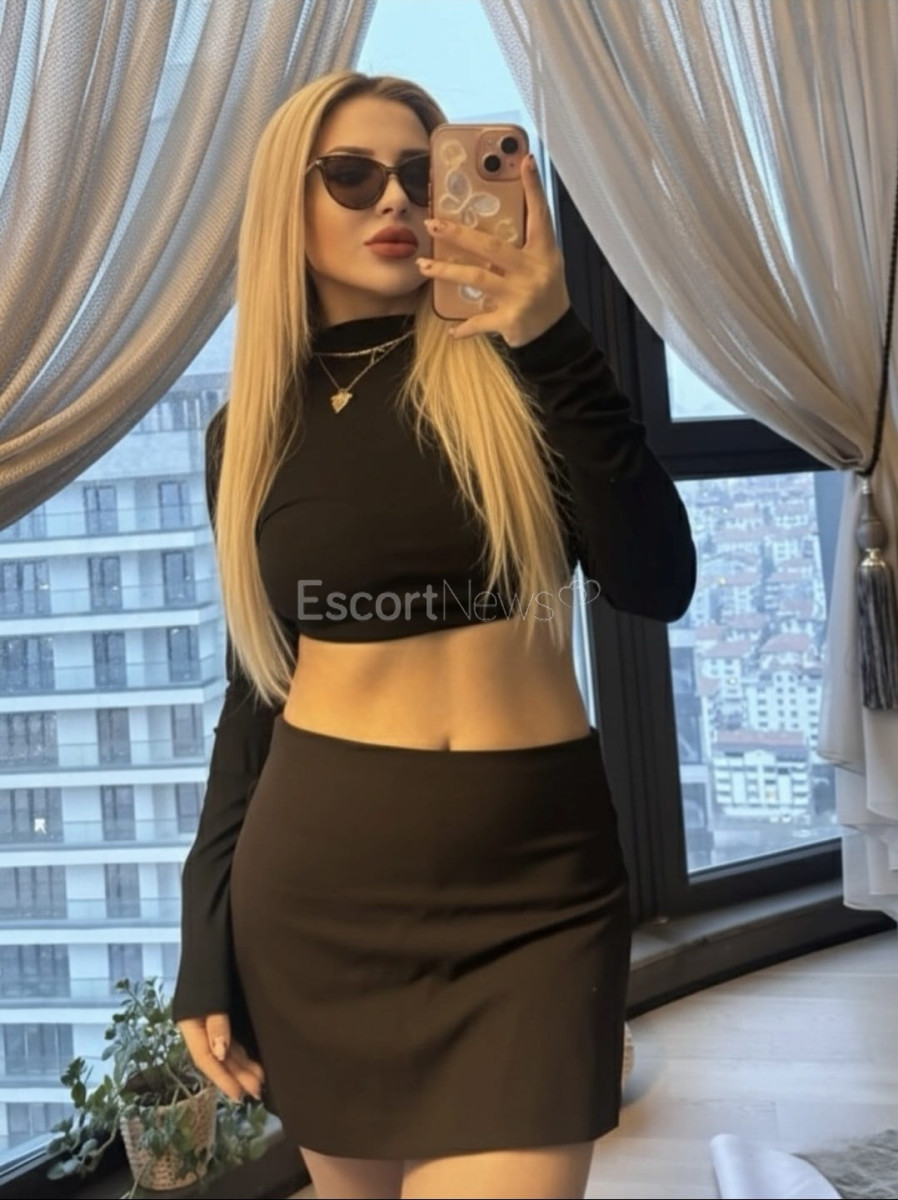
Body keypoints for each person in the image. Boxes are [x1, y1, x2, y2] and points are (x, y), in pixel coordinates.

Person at [171, 68, 696, 1200]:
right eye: (351, 176)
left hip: (537, 898)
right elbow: (255, 694)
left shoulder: (521, 374)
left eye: (419, 172)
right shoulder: (247, 433)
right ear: (288, 207)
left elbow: (657, 582)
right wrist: (201, 944)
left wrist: (551, 336)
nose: (395, 200)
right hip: (317, 899)